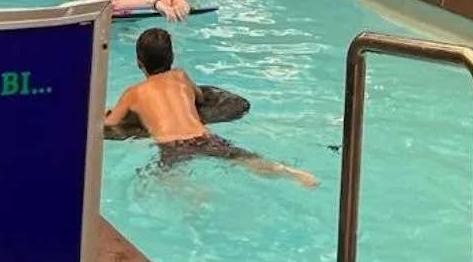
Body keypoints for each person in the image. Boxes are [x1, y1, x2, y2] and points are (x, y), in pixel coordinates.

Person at [104, 27, 317, 184]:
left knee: (169, 179)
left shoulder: (133, 93)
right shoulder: (180, 76)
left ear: (138, 62)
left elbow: (110, 123)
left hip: (170, 144)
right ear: (172, 57)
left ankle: (194, 196)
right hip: (201, 135)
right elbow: (200, 97)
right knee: (244, 158)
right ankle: (292, 173)